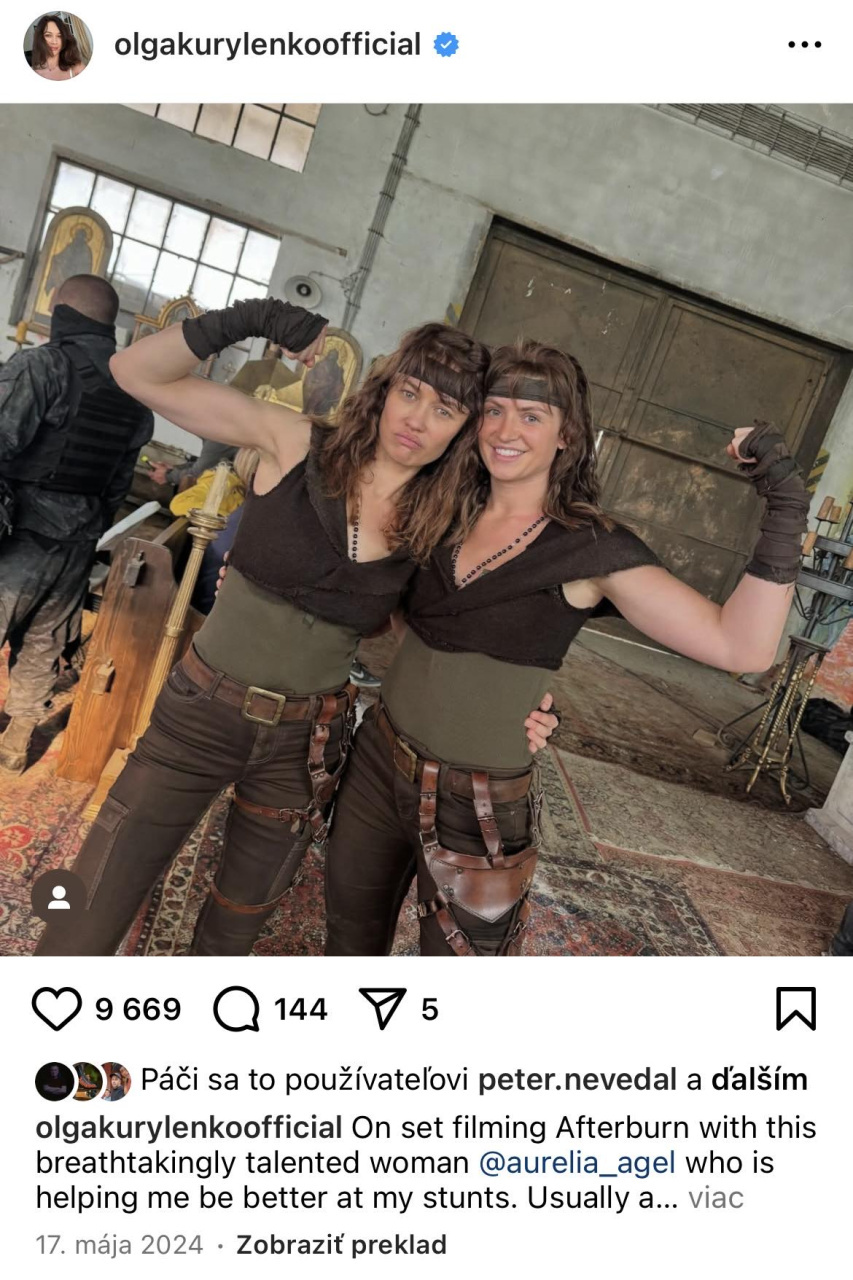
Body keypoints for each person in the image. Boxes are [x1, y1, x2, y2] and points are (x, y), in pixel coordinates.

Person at [35, 300, 496, 957]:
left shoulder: (438, 522)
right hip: (200, 716)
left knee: (237, 924)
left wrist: (519, 706)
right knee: (98, 893)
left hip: (307, 744)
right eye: (410, 393)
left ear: (464, 431)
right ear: (385, 389)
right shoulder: (296, 441)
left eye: (444, 410)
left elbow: (439, 633)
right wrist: (253, 319)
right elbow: (134, 371)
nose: (418, 420)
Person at [325, 340, 811, 957]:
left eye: (532, 416)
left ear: (568, 436)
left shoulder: (591, 548)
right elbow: (409, 622)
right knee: (347, 938)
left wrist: (786, 502)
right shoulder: (438, 508)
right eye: (494, 410)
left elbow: (742, 647)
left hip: (477, 803)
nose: (506, 431)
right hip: (377, 761)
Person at [0, 275, 154, 774]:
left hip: (17, 533)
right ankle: (16, 742)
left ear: (60, 311)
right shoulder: (133, 392)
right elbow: (119, 483)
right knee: (45, 640)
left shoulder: (42, 366)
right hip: (79, 540)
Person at [30, 14, 86, 80]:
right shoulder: (33, 71)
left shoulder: (77, 68)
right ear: (40, 38)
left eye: (59, 36)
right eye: (48, 35)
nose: (54, 42)